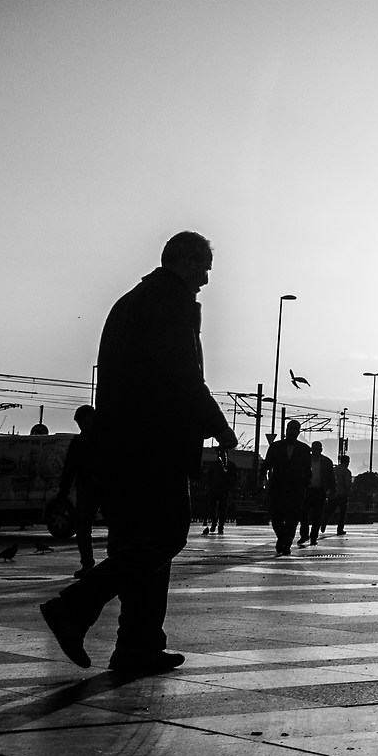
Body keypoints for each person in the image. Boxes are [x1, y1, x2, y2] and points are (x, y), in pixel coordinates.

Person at [38, 231, 239, 675]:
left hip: (119, 446)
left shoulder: (128, 302)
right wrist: (220, 428)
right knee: (166, 535)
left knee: (138, 545)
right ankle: (76, 606)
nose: (206, 279)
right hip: (155, 445)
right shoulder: (170, 302)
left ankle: (137, 645)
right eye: (203, 267)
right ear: (183, 260)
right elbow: (183, 378)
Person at [54, 404, 105, 570]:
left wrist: (63, 491)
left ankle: (88, 564)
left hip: (90, 488)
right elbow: (69, 469)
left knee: (83, 526)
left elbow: (69, 469)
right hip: (100, 488)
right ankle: (91, 564)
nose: (83, 426)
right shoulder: (104, 440)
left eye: (84, 423)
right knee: (85, 526)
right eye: (81, 424)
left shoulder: (80, 442)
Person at [268, 418, 311, 554]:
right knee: (276, 519)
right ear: (286, 430)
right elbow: (267, 463)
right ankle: (283, 539)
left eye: (294, 429)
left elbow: (307, 469)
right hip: (278, 487)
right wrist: (262, 477)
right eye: (289, 429)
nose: (291, 432)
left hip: (296, 489)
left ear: (298, 432)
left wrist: (305, 484)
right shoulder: (275, 446)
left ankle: (286, 543)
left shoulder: (304, 449)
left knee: (292, 519)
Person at [305, 441, 334, 544]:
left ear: (321, 450)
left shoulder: (326, 462)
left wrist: (331, 490)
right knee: (304, 514)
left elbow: (331, 478)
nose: (316, 451)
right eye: (314, 449)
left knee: (316, 515)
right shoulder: (305, 460)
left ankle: (313, 537)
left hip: (319, 490)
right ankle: (305, 534)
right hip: (307, 489)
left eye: (317, 449)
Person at [201, 444, 233, 536]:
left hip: (218, 489)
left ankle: (218, 525)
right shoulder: (228, 465)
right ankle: (218, 525)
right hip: (219, 489)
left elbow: (209, 477)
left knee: (217, 507)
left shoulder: (215, 465)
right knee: (218, 508)